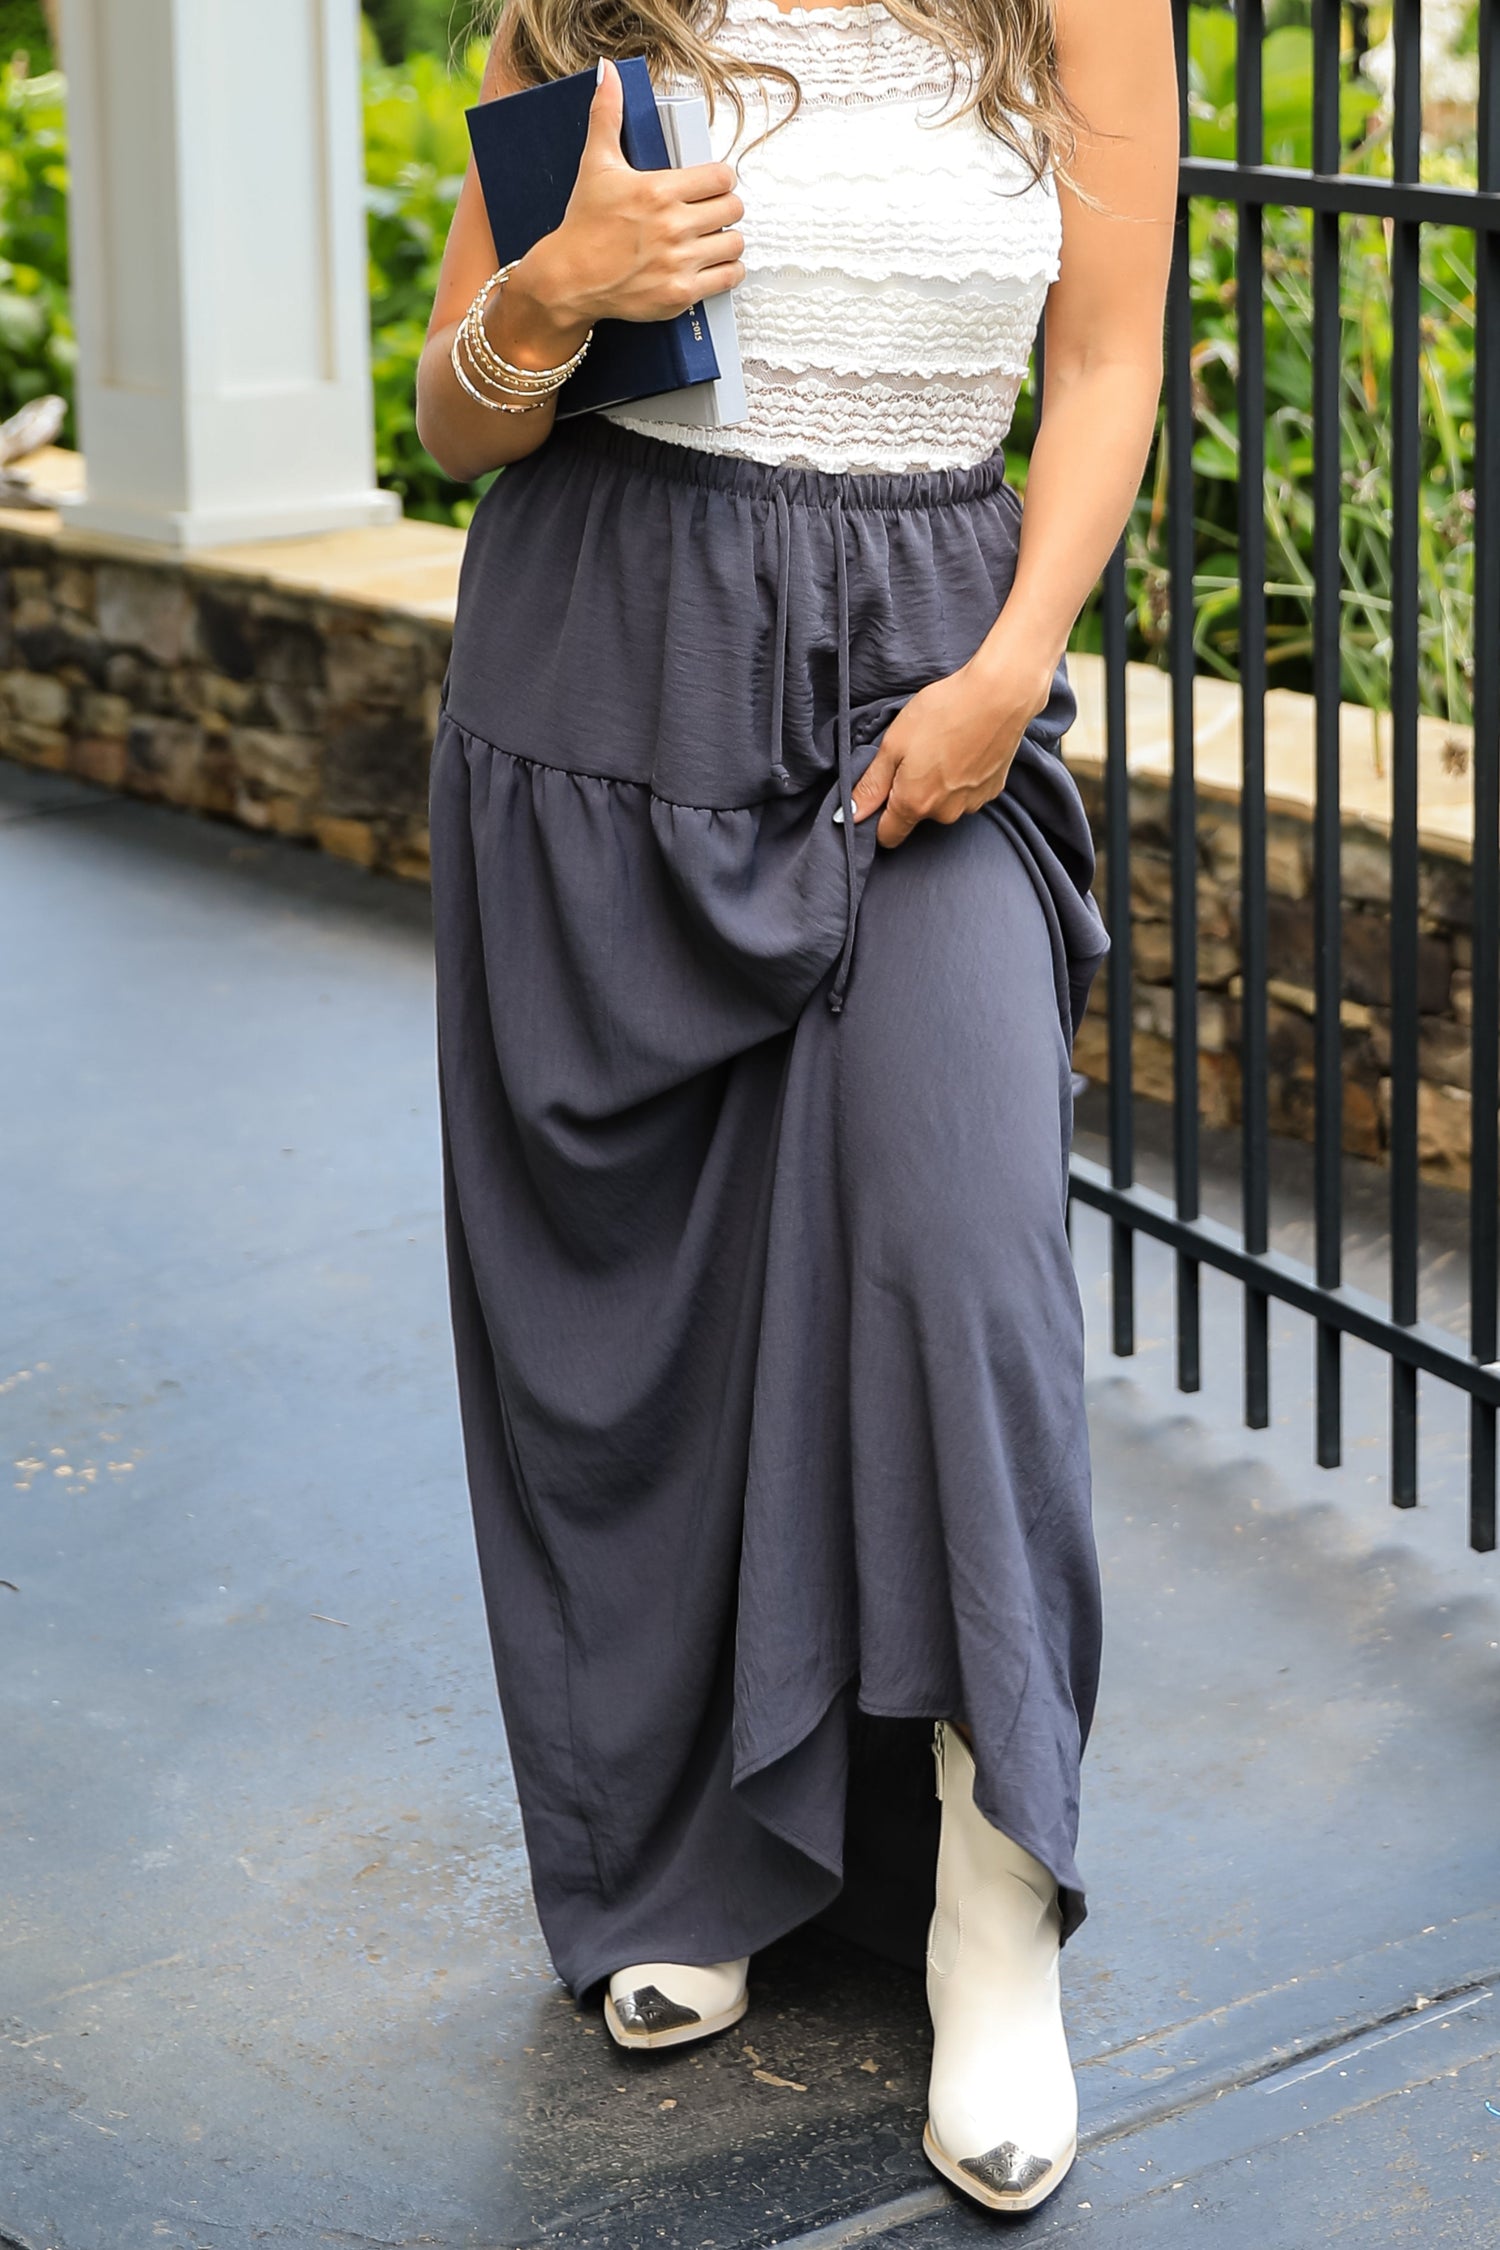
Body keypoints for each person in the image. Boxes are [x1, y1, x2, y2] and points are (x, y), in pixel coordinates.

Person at [416, 0, 1174, 2213]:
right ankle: (672, 1860)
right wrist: (547, 303)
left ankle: (993, 1897)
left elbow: (1108, 362)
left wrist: (1019, 659)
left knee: (963, 1255)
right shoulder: (579, 8)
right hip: (601, 680)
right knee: (622, 1292)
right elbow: (461, 420)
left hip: (928, 689)